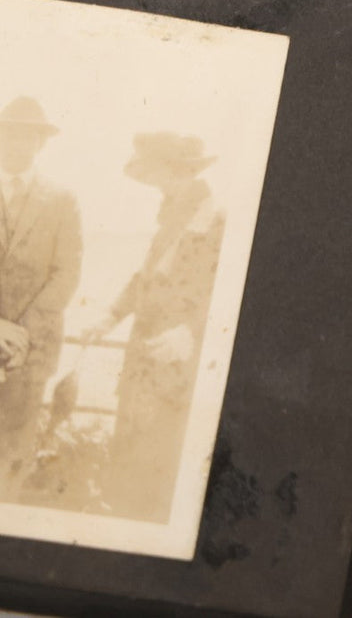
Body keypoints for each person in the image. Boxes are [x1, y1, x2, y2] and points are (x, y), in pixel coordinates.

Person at [87, 133, 225, 521]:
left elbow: (225, 294)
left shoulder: (215, 219)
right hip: (145, 362)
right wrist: (109, 317)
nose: (154, 186)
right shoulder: (174, 215)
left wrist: (190, 331)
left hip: (177, 367)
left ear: (177, 171)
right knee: (131, 459)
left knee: (159, 465)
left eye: (156, 176)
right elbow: (146, 277)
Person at [0, 97, 82, 500]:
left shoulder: (62, 200)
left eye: (27, 136)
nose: (16, 144)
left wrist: (21, 333)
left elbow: (67, 272)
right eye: (9, 134)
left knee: (13, 453)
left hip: (31, 352)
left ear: (41, 143)